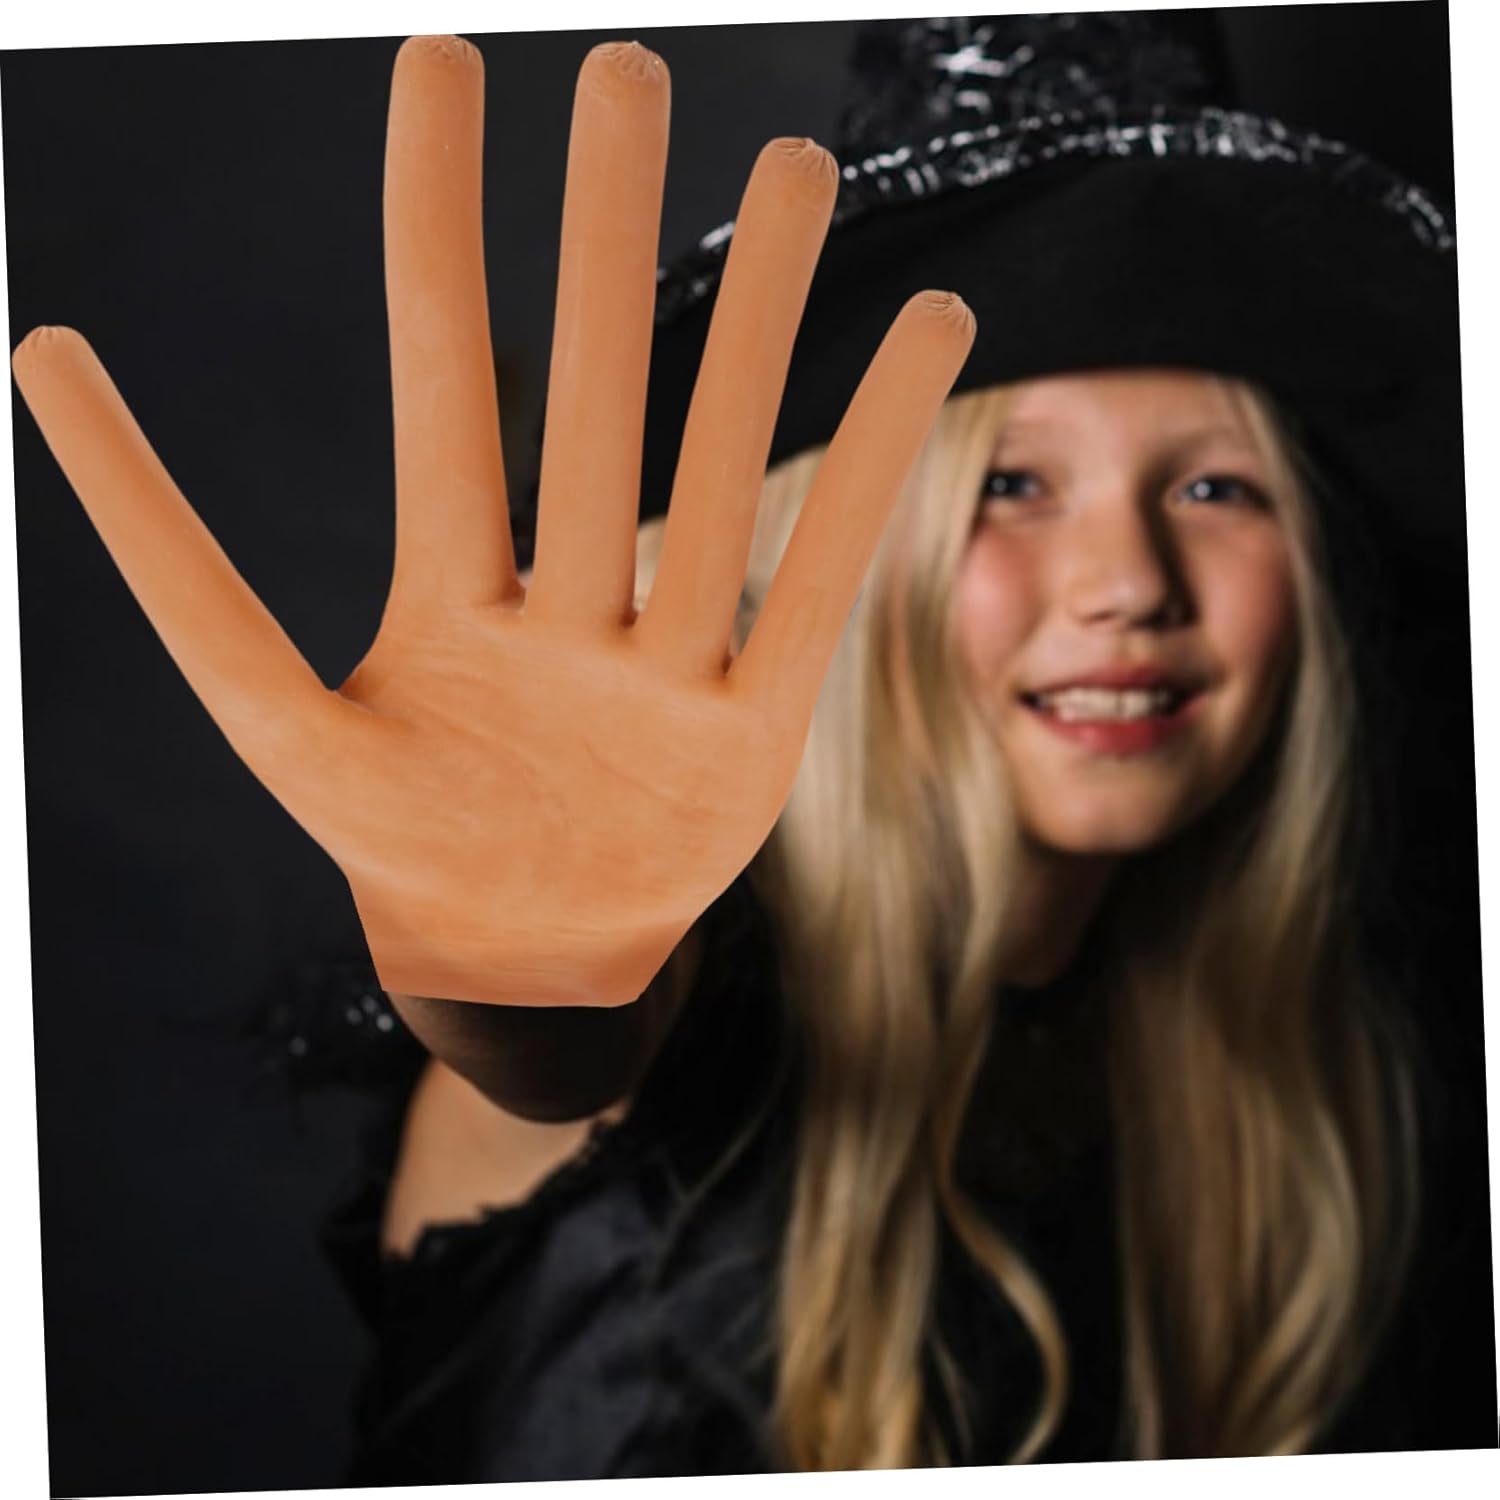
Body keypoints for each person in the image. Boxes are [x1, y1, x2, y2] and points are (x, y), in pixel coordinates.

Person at [10, 10, 1475, 1483]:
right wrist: (523, 966)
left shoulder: (1322, 1066)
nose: (1130, 584)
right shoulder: (688, 997)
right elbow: (559, 1061)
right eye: (1009, 483)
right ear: (822, 548)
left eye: (1219, 488)